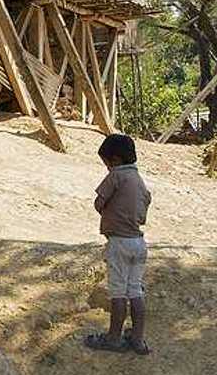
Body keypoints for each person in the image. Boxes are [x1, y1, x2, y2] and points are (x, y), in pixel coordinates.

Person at [85, 133, 153, 356]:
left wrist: (107, 209)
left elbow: (99, 202)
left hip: (119, 243)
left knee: (118, 293)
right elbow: (145, 204)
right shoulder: (138, 179)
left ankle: (114, 338)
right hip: (138, 243)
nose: (107, 168)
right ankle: (138, 339)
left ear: (115, 159)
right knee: (135, 290)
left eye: (106, 163)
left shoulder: (116, 175)